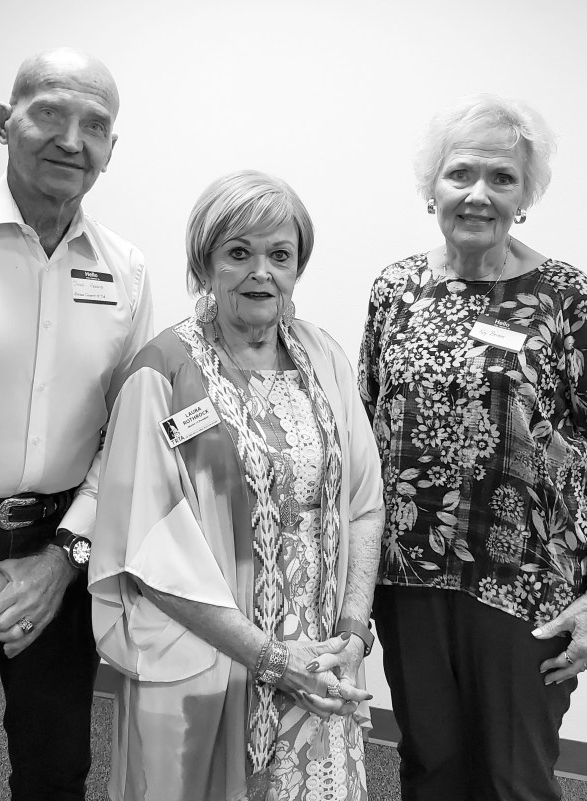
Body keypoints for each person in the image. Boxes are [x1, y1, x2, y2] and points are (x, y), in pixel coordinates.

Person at [0, 48, 153, 801]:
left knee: (57, 770)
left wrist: (61, 560)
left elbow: (126, 437)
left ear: (112, 148)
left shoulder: (128, 271)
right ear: (3, 122)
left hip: (61, 559)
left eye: (95, 125)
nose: (71, 140)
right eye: (49, 112)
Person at [89, 169, 385, 801]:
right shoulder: (162, 373)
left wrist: (353, 634)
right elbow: (148, 551)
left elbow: (364, 506)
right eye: (239, 253)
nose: (261, 272)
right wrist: (271, 659)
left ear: (298, 267)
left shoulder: (325, 358)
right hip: (206, 668)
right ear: (204, 263)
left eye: (280, 255)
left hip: (319, 666)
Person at [358, 94, 587, 801]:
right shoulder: (395, 290)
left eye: (501, 177)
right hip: (408, 575)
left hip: (525, 581)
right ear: (432, 187)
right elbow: (365, 430)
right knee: (430, 768)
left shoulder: (565, 297)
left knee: (514, 778)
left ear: (524, 196)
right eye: (460, 173)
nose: (478, 194)